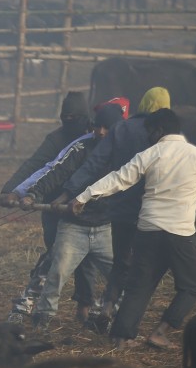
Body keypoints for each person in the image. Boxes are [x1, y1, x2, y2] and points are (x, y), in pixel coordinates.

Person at [71, 109, 196, 350]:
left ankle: (120, 338)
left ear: (159, 131)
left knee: (139, 286)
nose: (148, 137)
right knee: (192, 287)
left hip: (148, 229)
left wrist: (84, 196)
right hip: (180, 233)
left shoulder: (150, 154)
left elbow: (118, 179)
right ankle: (160, 332)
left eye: (150, 132)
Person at [60, 87, 171, 329]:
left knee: (121, 262)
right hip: (153, 211)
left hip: (120, 209)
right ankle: (124, 321)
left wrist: (71, 192)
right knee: (143, 268)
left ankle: (106, 306)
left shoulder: (121, 128)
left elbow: (96, 161)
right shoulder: (165, 134)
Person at [18, 103, 126, 329]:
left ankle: (111, 317)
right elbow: (56, 171)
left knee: (122, 278)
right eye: (98, 127)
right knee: (56, 275)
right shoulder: (81, 148)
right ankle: (42, 321)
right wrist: (33, 194)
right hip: (73, 227)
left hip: (106, 228)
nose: (101, 133)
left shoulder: (127, 152)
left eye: (107, 128)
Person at [0, 91, 93, 323]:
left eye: (73, 116)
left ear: (84, 117)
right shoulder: (56, 139)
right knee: (53, 255)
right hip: (52, 206)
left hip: (85, 208)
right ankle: (37, 308)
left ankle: (85, 305)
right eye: (65, 116)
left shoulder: (95, 138)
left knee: (87, 261)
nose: (68, 121)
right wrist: (10, 189)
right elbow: (34, 164)